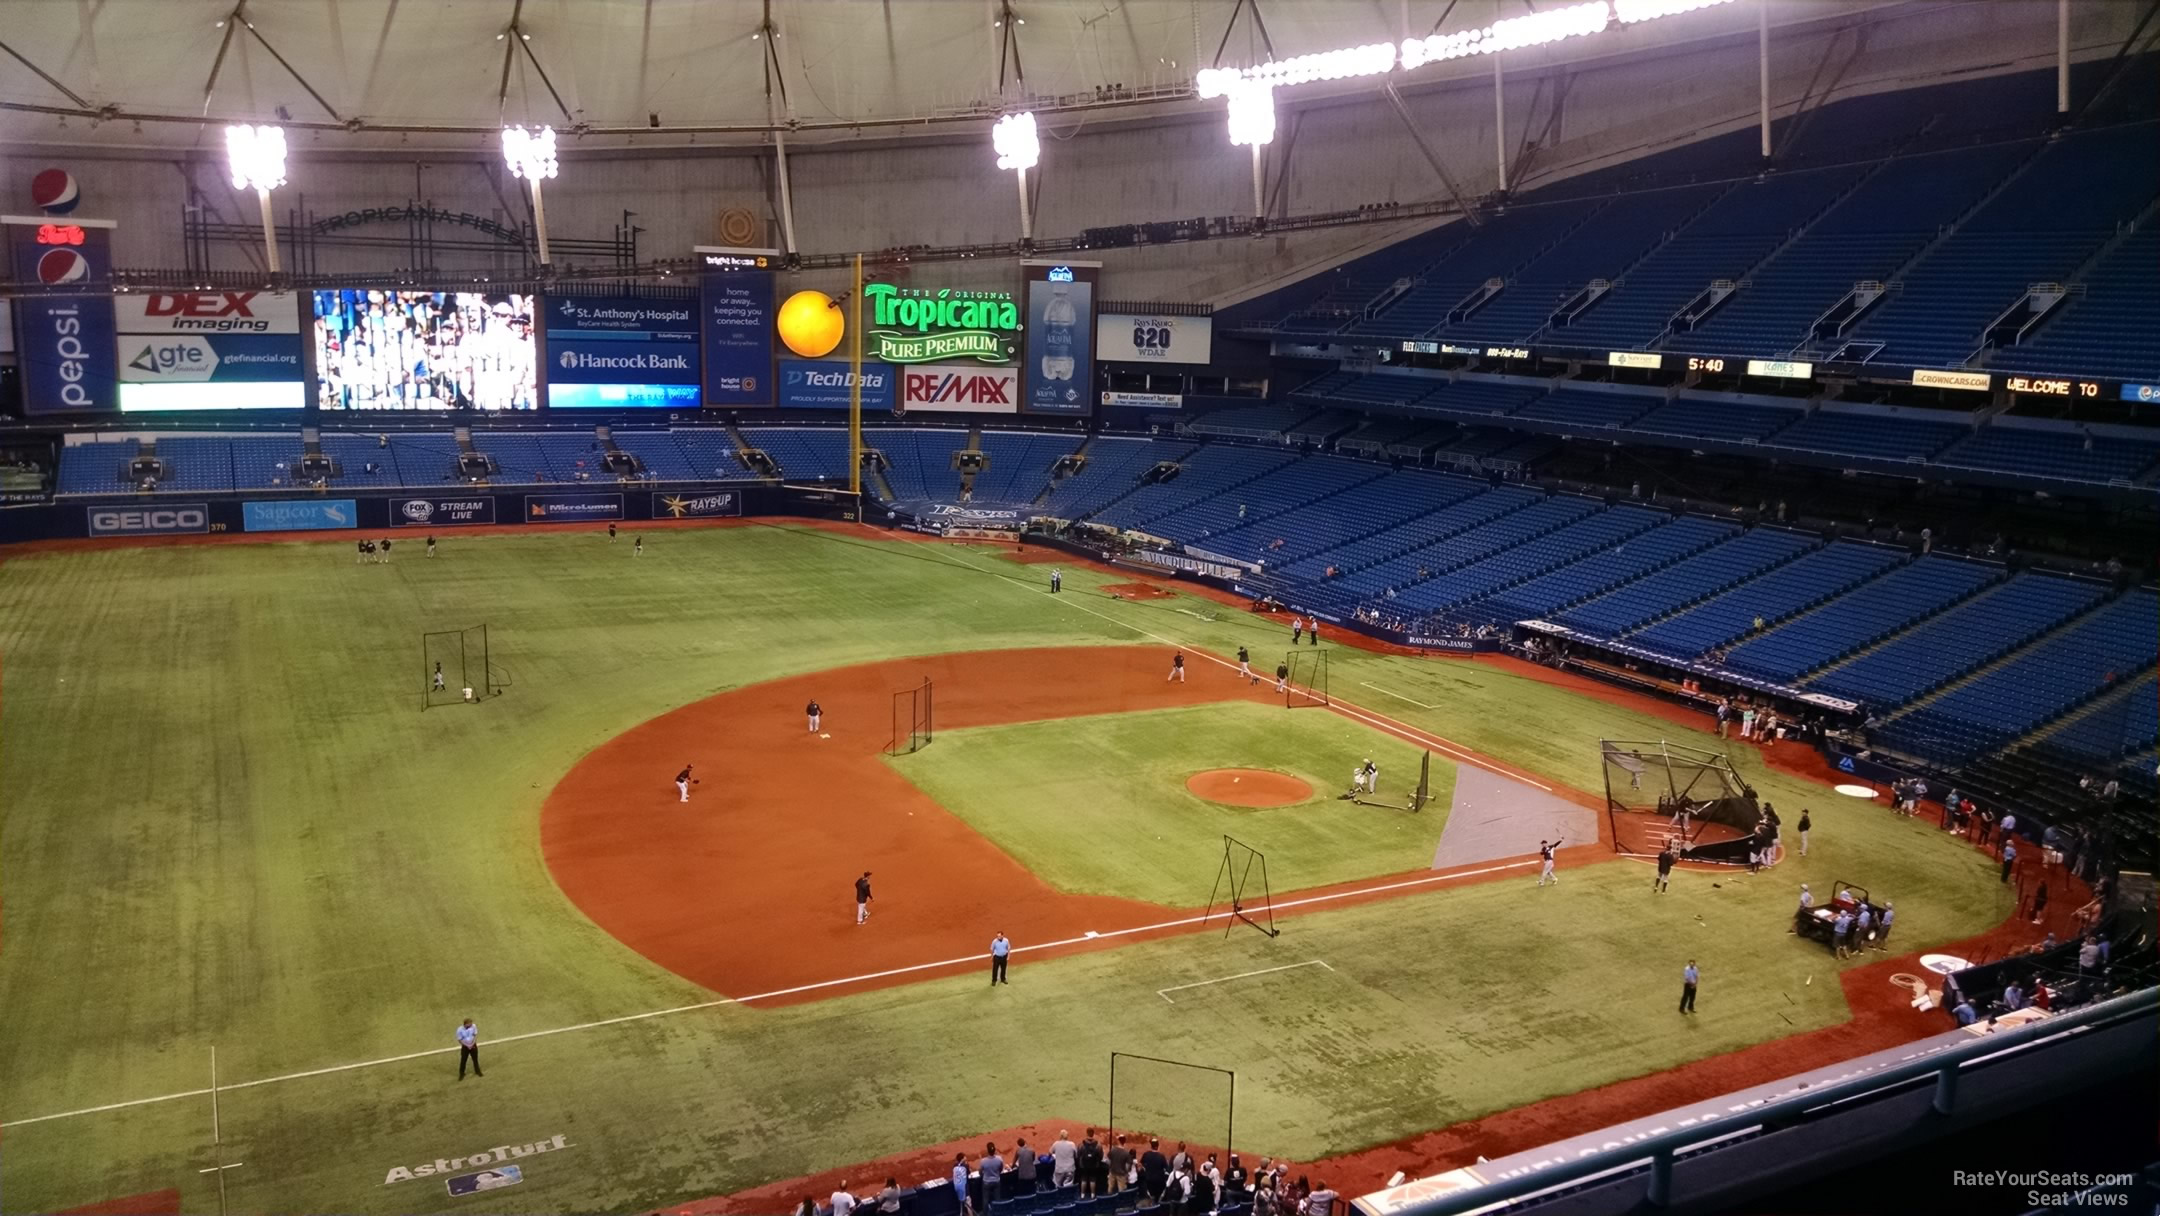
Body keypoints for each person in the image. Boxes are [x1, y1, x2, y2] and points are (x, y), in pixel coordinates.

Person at [1079, 1129, 1104, 1198]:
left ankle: (1082, 1195)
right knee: (1093, 1180)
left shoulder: (1082, 1144)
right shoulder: (1098, 1144)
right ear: (1093, 1134)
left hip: (1084, 1165)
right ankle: (1093, 1195)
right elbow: (1101, 1156)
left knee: (1083, 1179)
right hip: (1094, 1166)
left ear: (1087, 1133)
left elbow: (1079, 1154)